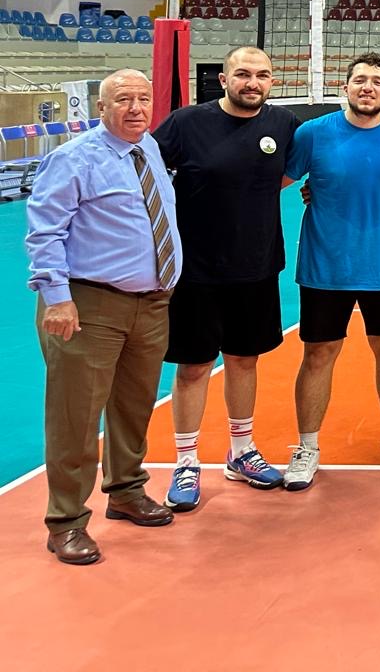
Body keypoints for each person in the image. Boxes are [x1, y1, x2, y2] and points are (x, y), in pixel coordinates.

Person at [27, 70, 182, 565]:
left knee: (135, 406)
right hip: (89, 304)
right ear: (101, 107)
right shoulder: (74, 158)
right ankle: (66, 521)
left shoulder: (147, 148)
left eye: (143, 98)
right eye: (123, 100)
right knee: (75, 416)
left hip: (151, 303)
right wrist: (57, 297)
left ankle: (126, 490)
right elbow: (45, 231)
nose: (136, 108)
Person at [155, 46, 299, 510]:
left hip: (256, 265)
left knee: (243, 360)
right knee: (194, 366)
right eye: (243, 74)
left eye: (262, 75)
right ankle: (185, 462)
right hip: (195, 271)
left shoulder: (284, 124)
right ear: (223, 79)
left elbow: (302, 168)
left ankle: (241, 451)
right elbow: (145, 171)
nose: (252, 82)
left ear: (272, 81)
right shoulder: (186, 123)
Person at [281, 53, 380, 490]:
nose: (367, 88)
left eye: (377, 81)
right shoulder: (313, 133)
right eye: (360, 80)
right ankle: (307, 447)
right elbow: (276, 182)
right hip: (326, 266)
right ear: (345, 87)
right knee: (319, 354)